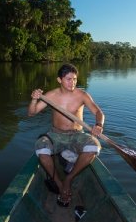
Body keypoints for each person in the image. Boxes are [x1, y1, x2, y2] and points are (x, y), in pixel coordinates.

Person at [27, 63, 105, 207]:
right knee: (41, 149)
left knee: (94, 147)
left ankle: (68, 179)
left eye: (75, 79)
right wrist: (34, 99)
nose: (73, 83)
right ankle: (59, 183)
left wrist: (99, 125)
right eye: (69, 79)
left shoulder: (82, 95)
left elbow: (99, 112)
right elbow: (31, 113)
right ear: (59, 80)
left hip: (77, 134)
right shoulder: (51, 96)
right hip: (56, 134)